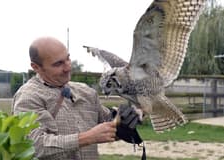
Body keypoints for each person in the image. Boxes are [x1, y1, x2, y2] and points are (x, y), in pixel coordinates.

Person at [12, 36, 141, 160]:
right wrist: (87, 138)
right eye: (58, 64)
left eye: (68, 58)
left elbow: (108, 127)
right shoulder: (29, 97)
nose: (68, 67)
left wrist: (124, 119)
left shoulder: (86, 92)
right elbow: (35, 146)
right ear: (36, 67)